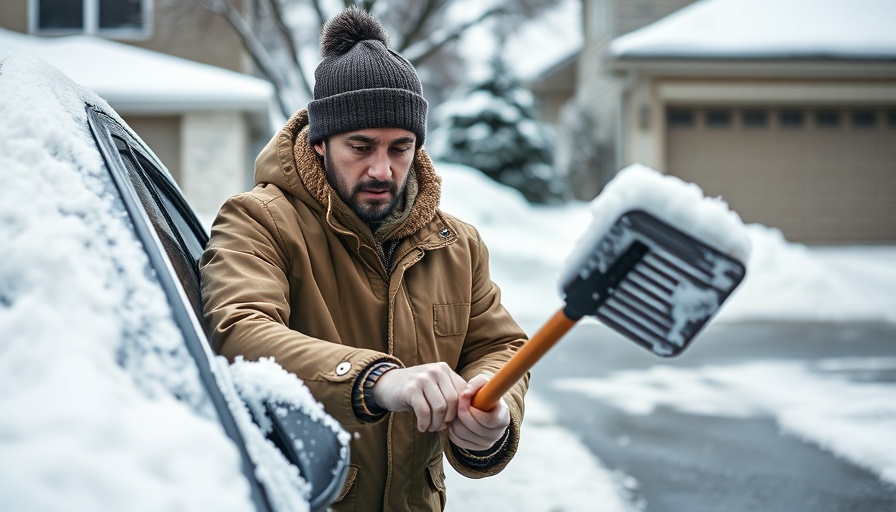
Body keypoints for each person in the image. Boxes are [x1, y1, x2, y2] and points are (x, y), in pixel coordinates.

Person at [200, 7, 528, 511]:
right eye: (361, 145)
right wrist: (376, 380)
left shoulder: (456, 245)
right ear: (320, 141)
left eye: (400, 147)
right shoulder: (258, 220)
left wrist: (494, 409)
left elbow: (501, 344)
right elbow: (238, 332)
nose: (382, 168)